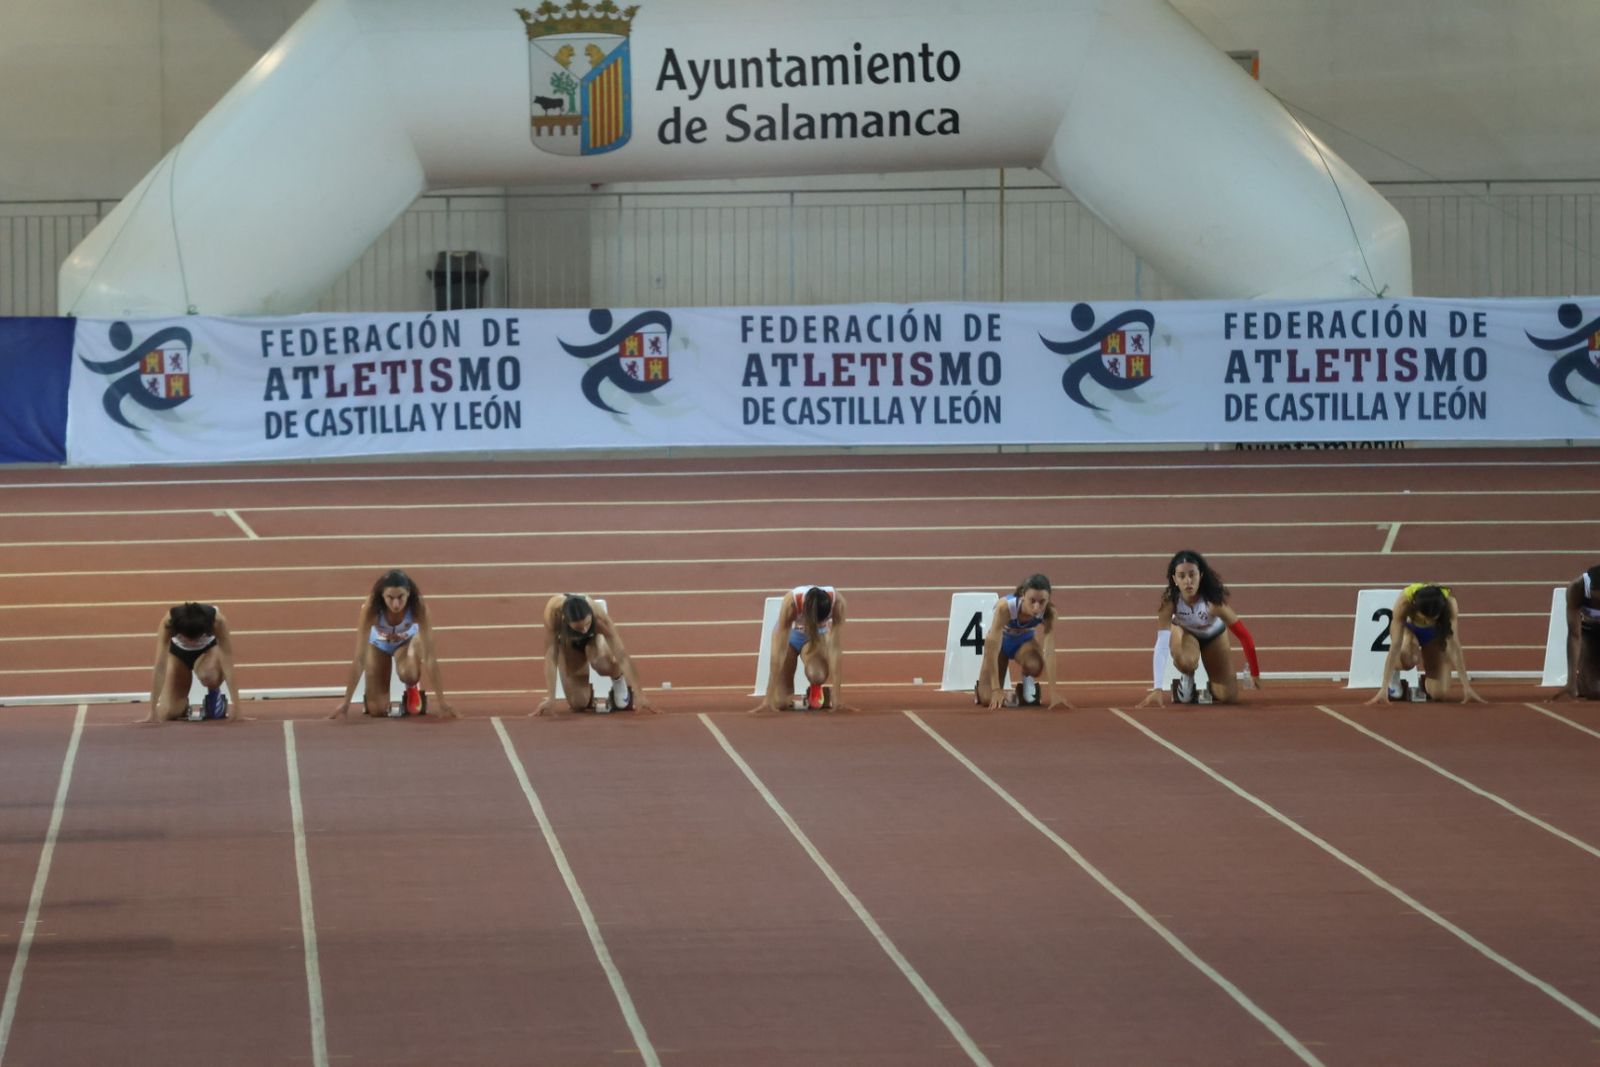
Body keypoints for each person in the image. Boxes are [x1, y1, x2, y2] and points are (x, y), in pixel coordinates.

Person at [1138, 551, 1261, 707]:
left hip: (1214, 637)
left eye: (1192, 575)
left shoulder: (1214, 604)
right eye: (1182, 576)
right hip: (1187, 634)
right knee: (1187, 661)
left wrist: (1255, 672)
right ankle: (1186, 677)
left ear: (1200, 576)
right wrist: (1157, 688)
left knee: (1228, 697)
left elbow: (1245, 637)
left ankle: (1212, 687)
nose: (1188, 581)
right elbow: (1161, 644)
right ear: (1174, 579)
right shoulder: (1170, 604)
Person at [331, 569, 454, 719]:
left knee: (409, 674)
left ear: (408, 593)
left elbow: (429, 658)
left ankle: (411, 686)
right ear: (382, 595)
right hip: (378, 644)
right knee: (377, 710)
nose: (396, 604)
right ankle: (371, 696)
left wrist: (442, 703)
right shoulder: (371, 609)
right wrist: (346, 704)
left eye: (401, 597)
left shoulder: (418, 607)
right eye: (390, 597)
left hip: (406, 642)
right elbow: (359, 659)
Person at [1366, 582, 1485, 704]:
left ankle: (1423, 684)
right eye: (1424, 618)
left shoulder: (1450, 604)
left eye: (1432, 618)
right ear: (1415, 608)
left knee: (1440, 694)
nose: (1428, 621)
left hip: (1434, 634)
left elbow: (1454, 646)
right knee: (1410, 657)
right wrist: (1383, 688)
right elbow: (1395, 645)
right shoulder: (1404, 602)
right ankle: (1394, 677)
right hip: (1410, 630)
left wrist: (1467, 687)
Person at [535, 594, 654, 714]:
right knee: (578, 703)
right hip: (569, 644)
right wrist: (551, 697)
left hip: (595, 638)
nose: (584, 631)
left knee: (601, 663)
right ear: (565, 619)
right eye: (579, 628)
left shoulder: (599, 616)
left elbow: (621, 655)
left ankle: (618, 678)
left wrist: (640, 694)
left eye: (587, 624)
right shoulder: (553, 614)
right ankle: (588, 694)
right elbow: (551, 656)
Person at [755, 585, 854, 712]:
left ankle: (817, 690)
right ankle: (787, 697)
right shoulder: (791, 603)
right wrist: (768, 697)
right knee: (780, 703)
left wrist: (837, 695)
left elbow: (835, 649)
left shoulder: (837, 603)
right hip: (790, 637)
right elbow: (777, 652)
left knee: (817, 675)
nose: (819, 624)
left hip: (815, 638)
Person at [977, 574, 1068, 710]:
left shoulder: (1050, 614)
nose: (1037, 607)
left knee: (1035, 666)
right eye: (1032, 600)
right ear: (1022, 595)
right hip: (1000, 646)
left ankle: (1027, 680)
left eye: (1042, 602)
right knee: (986, 699)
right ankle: (1008, 695)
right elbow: (992, 646)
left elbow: (1049, 651)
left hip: (1024, 643)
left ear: (1048, 599)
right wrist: (996, 689)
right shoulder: (1005, 607)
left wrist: (1054, 692)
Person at [147, 602, 242, 722]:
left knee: (209, 675)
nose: (192, 643)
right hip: (178, 654)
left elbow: (227, 663)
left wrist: (237, 708)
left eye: (196, 639)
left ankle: (214, 693)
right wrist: (152, 711)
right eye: (187, 639)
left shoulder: (217, 622)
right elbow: (160, 666)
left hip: (209, 650)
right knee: (167, 712)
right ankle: (183, 705)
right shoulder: (168, 623)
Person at [1551, 565, 1600, 700]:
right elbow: (1574, 635)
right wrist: (1571, 681)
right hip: (1589, 632)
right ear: (1590, 588)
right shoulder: (1577, 589)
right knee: (1593, 693)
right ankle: (1582, 680)